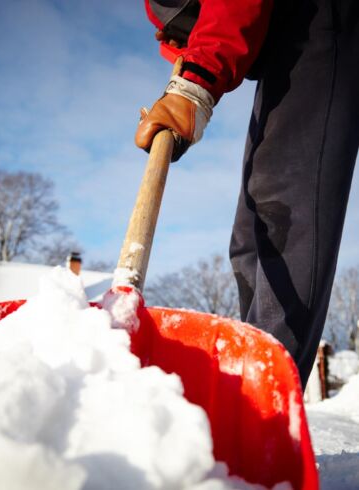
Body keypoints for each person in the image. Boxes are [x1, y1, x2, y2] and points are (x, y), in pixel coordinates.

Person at [135, 0, 359, 389]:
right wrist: (188, 61)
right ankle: (252, 383)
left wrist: (195, 84)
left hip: (323, 16)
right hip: (283, 40)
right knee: (249, 240)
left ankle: (262, 400)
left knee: (285, 217)